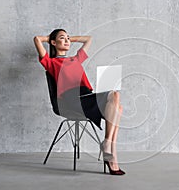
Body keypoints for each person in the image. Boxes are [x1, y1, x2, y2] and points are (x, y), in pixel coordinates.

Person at [34, 29, 125, 175]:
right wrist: (51, 38)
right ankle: (109, 149)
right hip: (71, 100)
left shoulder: (75, 59)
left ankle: (109, 145)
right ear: (53, 42)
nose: (67, 41)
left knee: (117, 105)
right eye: (62, 38)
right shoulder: (51, 63)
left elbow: (88, 39)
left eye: (68, 38)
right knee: (115, 98)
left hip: (86, 96)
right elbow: (37, 39)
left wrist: (68, 39)